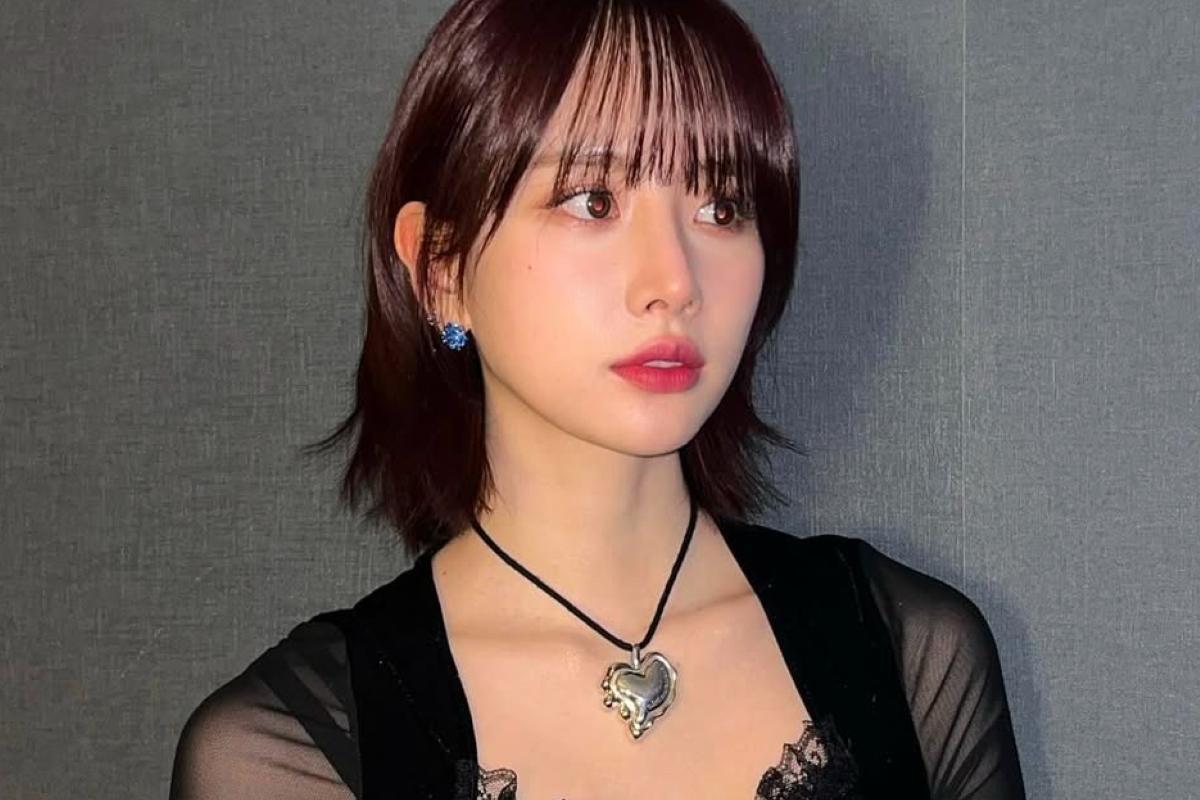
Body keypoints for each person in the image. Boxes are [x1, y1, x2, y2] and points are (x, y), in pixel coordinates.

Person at [168, 0, 1026, 798]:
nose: (674, 281)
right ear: (440, 269)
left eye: (722, 206)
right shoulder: (286, 752)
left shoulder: (912, 655)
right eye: (594, 200)